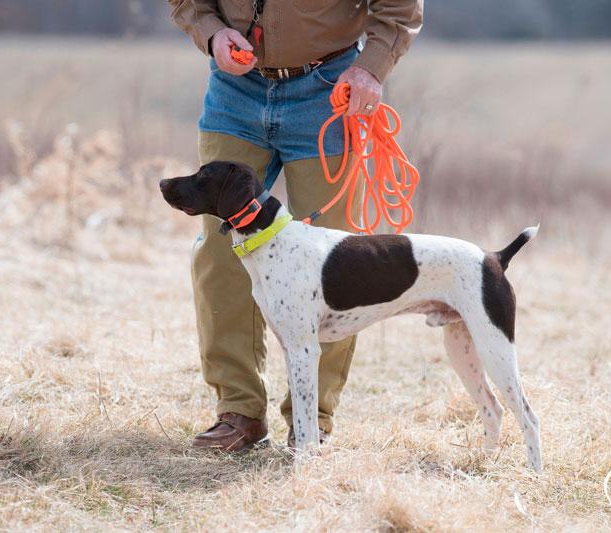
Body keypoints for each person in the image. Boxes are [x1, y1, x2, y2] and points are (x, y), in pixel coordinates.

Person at [169, 0, 423, 451]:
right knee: (220, 252)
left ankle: (312, 424)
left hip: (331, 89)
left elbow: (400, 7)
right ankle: (239, 413)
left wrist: (372, 67)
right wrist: (211, 32)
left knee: (339, 265)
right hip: (234, 90)